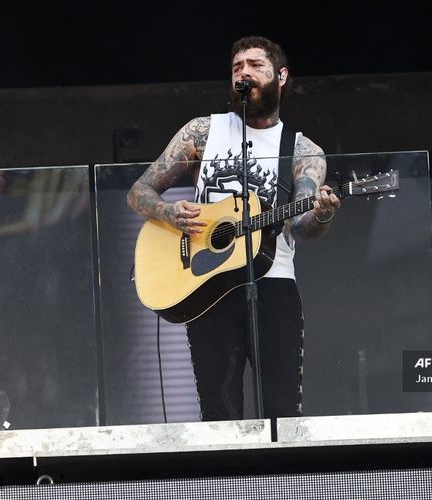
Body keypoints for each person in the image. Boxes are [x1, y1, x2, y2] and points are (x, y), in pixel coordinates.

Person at [127, 35, 340, 421]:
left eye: (256, 66)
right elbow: (139, 191)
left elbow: (301, 226)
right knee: (218, 411)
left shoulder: (303, 151)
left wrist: (322, 213)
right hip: (207, 285)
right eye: (237, 67)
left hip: (273, 282)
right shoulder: (202, 133)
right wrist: (169, 213)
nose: (244, 73)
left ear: (281, 76)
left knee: (282, 411)